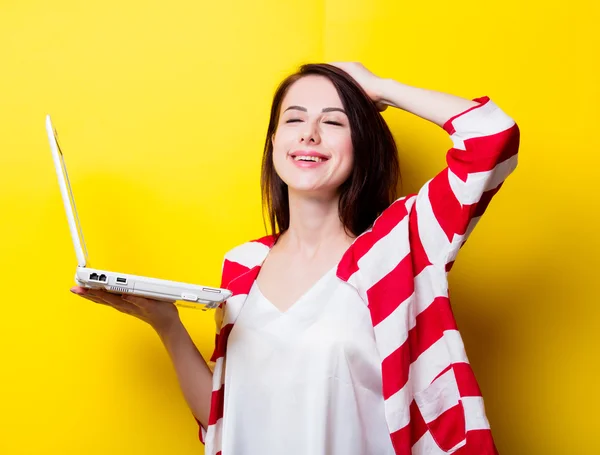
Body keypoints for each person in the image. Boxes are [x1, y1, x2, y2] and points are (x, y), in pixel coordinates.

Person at [71, 62, 520, 455]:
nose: (309, 133)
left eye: (334, 121)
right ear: (273, 142)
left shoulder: (400, 245)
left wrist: (377, 86)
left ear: (361, 144)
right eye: (294, 119)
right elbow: (224, 419)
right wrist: (165, 323)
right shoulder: (243, 266)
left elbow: (492, 137)